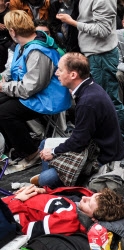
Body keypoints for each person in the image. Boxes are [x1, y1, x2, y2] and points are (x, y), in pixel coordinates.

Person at [36, 53, 124, 188]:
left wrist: (54, 152)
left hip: (102, 156)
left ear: (73, 75)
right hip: (95, 145)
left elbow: (79, 142)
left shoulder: (87, 101)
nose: (56, 73)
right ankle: (55, 178)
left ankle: (53, 187)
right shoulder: (90, 86)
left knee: (45, 179)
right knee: (45, 144)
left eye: (60, 70)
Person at [55, 0, 124, 151]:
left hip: (101, 55)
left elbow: (102, 30)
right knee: (104, 102)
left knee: (109, 103)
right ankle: (115, 142)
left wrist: (73, 22)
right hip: (94, 54)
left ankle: (122, 143)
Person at [0, 10, 71, 166]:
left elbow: (30, 87)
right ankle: (18, 148)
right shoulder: (22, 45)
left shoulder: (38, 51)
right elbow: (21, 75)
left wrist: (5, 86)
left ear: (12, 31)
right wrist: (6, 82)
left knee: (4, 113)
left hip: (49, 98)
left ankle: (31, 153)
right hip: (36, 92)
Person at [2, 184, 124, 238]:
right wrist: (43, 191)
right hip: (12, 202)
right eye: (92, 196)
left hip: (6, 213)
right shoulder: (82, 201)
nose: (85, 198)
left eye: (88, 202)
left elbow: (24, 229)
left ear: (94, 218)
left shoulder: (68, 221)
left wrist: (16, 201)